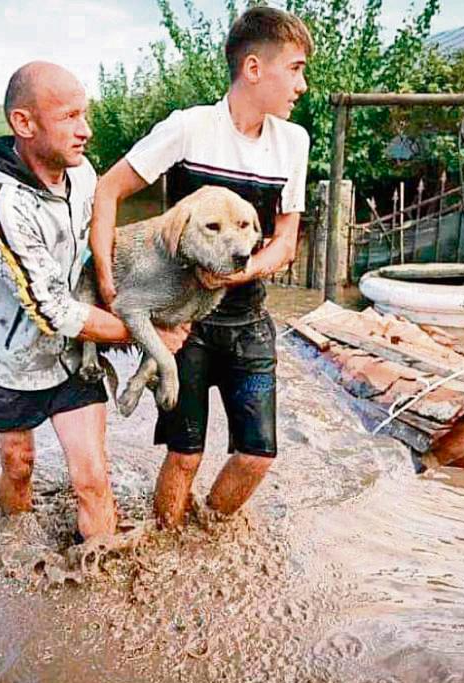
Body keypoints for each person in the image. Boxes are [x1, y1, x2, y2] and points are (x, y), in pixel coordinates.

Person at [90, 7, 313, 528]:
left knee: (258, 455)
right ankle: (168, 543)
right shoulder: (189, 129)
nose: (302, 84)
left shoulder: (293, 143)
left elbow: (284, 243)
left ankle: (208, 534)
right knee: (184, 455)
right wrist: (105, 284)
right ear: (254, 68)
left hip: (249, 322)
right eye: (297, 68)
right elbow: (108, 189)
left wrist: (241, 272)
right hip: (182, 323)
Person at [0, 62, 188, 540]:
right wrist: (149, 335)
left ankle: (100, 591)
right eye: (69, 117)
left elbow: (105, 244)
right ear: (24, 123)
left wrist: (169, 287)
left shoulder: (82, 173)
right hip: (7, 365)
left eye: (85, 114)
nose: (85, 131)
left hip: (71, 361)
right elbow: (53, 312)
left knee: (92, 480)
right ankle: (17, 547)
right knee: (19, 466)